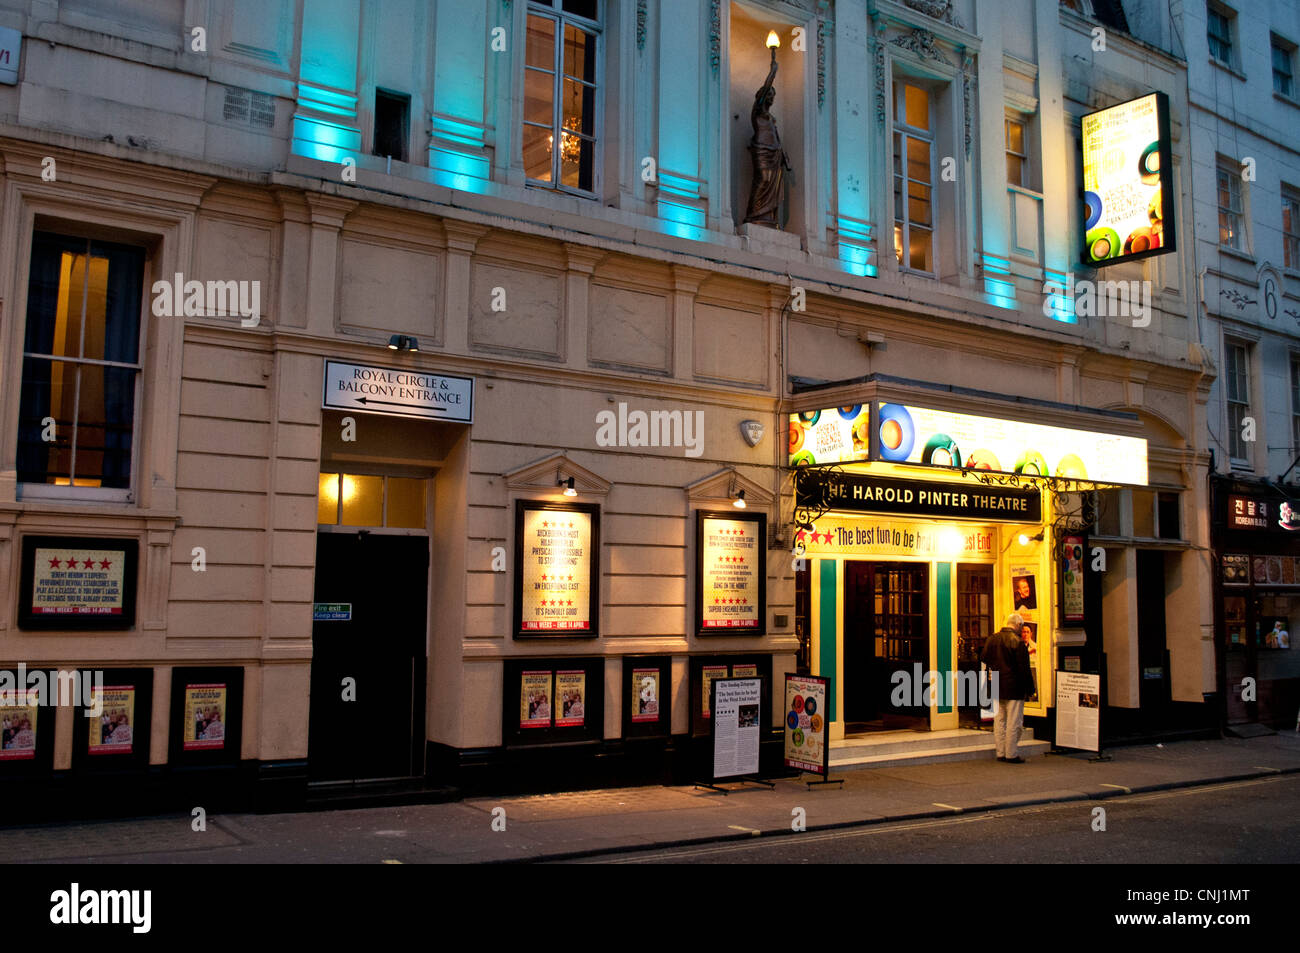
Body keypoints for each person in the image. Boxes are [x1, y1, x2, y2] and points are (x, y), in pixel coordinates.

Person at [982, 612, 1035, 763]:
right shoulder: (1018, 642)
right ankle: (1011, 753)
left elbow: (984, 657)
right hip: (1014, 686)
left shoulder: (992, 639)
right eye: (1021, 626)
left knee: (999, 720)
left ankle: (1000, 752)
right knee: (1014, 722)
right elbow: (1024, 669)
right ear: (1017, 625)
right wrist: (1030, 689)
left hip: (997, 684)